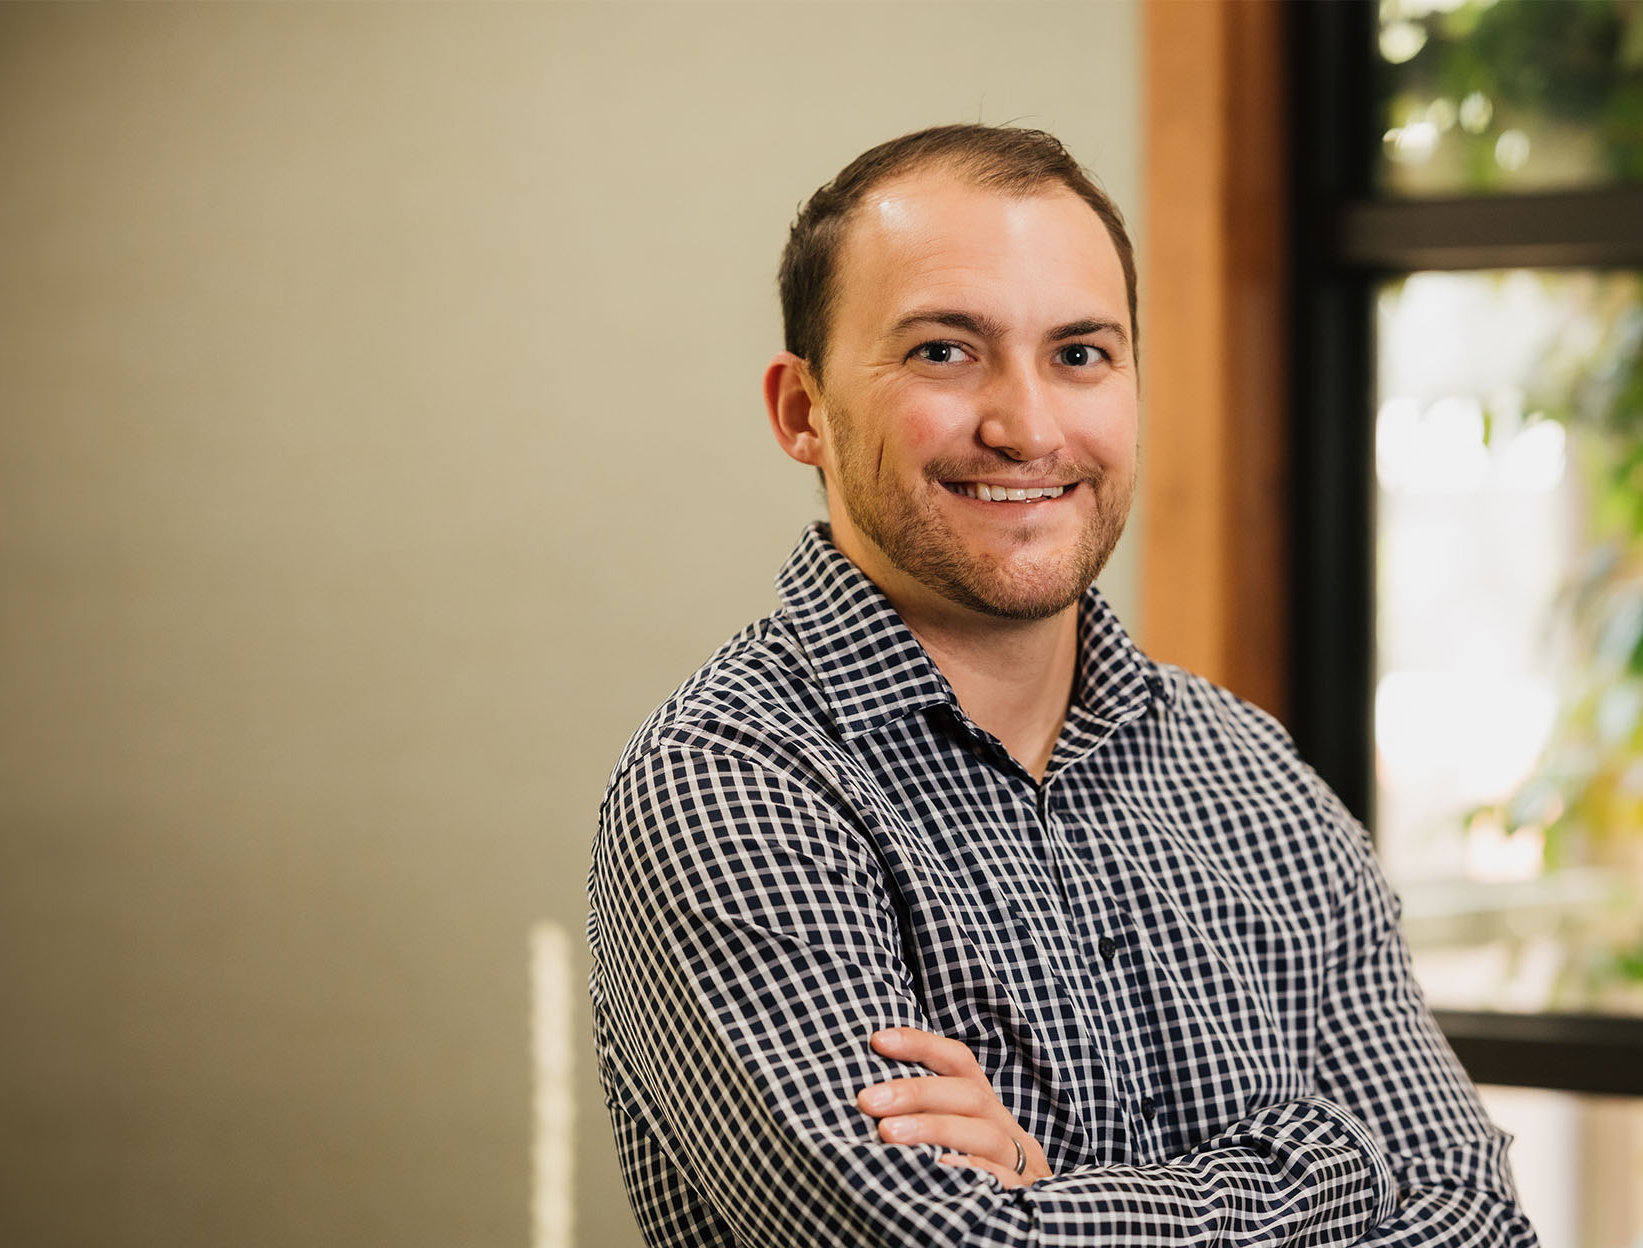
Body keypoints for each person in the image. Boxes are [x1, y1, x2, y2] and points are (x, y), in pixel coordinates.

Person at [586, 125, 1538, 1246]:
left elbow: (1477, 1222)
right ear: (802, 413)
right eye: (944, 351)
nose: (1026, 426)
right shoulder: (726, 789)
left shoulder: (1249, 775)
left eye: (1079, 354)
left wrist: (1049, 1203)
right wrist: (1326, 1166)